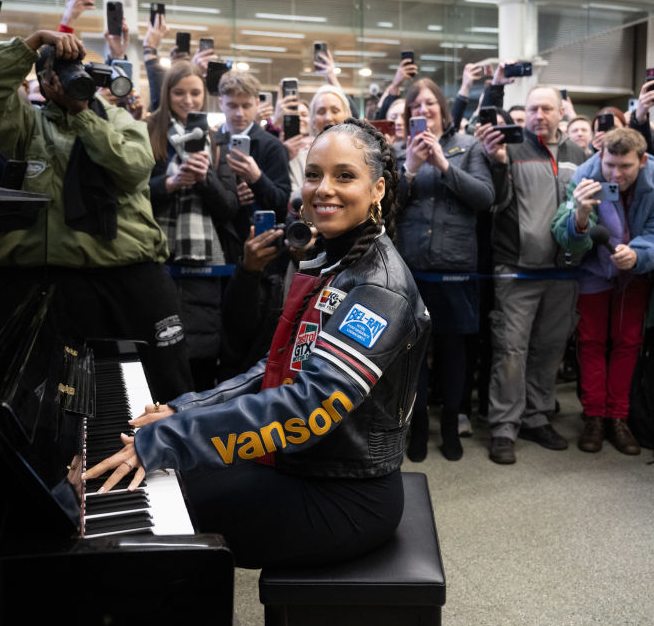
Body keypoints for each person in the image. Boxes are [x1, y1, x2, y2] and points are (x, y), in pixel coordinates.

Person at [85, 118, 431, 568]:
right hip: (300, 463)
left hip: (343, 493)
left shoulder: (378, 286)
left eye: (344, 176)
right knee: (144, 484)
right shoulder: (337, 257)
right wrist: (187, 409)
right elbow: (278, 368)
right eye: (313, 174)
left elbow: (311, 404)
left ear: (378, 189)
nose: (323, 189)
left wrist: (169, 438)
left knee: (142, 502)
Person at [0, 29, 193, 402]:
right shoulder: (27, 125)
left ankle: (172, 455)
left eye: (79, 70)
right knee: (72, 394)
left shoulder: (116, 120)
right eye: (62, 72)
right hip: (61, 281)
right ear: (44, 80)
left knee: (164, 380)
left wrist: (83, 116)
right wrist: (33, 43)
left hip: (130, 277)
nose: (73, 79)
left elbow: (134, 168)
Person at [475, 83, 586, 465]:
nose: (540, 115)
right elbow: (494, 203)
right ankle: (504, 426)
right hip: (516, 269)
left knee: (550, 348)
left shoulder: (578, 153)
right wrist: (498, 163)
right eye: (534, 109)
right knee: (510, 350)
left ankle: (538, 416)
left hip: (564, 272)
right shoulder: (512, 148)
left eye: (547, 109)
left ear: (561, 113)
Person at [552, 128, 654, 454]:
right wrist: (579, 215)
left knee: (628, 342)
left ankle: (618, 417)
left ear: (643, 160)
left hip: (636, 272)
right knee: (591, 342)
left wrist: (639, 255)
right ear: (600, 157)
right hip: (594, 271)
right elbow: (566, 237)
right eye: (610, 165)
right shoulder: (586, 174)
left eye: (625, 167)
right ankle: (593, 416)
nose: (615, 174)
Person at [395, 78, 495, 461]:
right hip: (412, 270)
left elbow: (485, 198)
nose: (423, 110)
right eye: (415, 106)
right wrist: (409, 167)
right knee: (413, 353)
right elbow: (387, 207)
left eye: (429, 104)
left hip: (457, 271)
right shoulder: (400, 150)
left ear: (443, 108)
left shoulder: (468, 147)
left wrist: (441, 163)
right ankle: (418, 425)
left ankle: (451, 424)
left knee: (455, 353)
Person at [146, 61, 239, 390]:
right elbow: (130, 195)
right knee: (158, 352)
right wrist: (169, 184)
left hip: (206, 263)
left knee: (200, 353)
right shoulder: (149, 132)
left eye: (195, 93)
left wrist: (204, 179)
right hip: (157, 256)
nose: (188, 101)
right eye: (179, 93)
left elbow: (229, 206)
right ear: (167, 94)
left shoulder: (215, 140)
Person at [217, 69, 291, 227]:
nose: (239, 113)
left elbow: (281, 203)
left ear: (257, 104)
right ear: (220, 103)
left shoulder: (273, 146)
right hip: (218, 235)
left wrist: (257, 178)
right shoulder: (211, 142)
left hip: (256, 233)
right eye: (232, 105)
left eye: (246, 106)